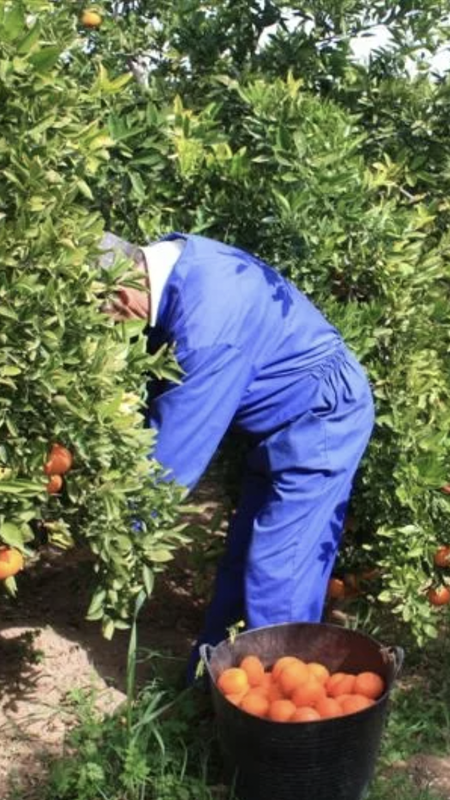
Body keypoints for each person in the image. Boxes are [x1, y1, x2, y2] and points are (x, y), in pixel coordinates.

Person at [98, 232, 375, 678]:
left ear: (125, 293)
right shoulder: (178, 263)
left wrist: (115, 522)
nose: (114, 324)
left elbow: (174, 453)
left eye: (107, 312)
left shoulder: (210, 327)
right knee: (244, 558)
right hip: (282, 424)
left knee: (278, 569)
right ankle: (217, 688)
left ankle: (281, 716)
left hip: (323, 419)